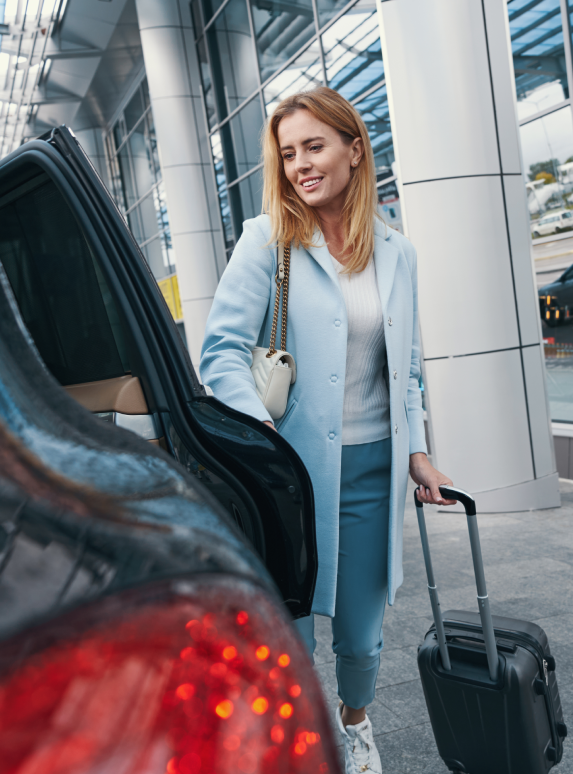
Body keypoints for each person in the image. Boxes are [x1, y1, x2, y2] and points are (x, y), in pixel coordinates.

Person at [200, 86, 455, 774]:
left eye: (315, 146)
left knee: (363, 625)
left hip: (375, 468)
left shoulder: (396, 253)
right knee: (293, 620)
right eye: (288, 154)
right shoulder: (267, 243)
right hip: (292, 475)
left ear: (354, 148)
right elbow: (220, 353)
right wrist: (263, 440)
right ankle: (302, 734)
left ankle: (356, 724)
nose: (301, 165)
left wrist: (420, 452)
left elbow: (404, 368)